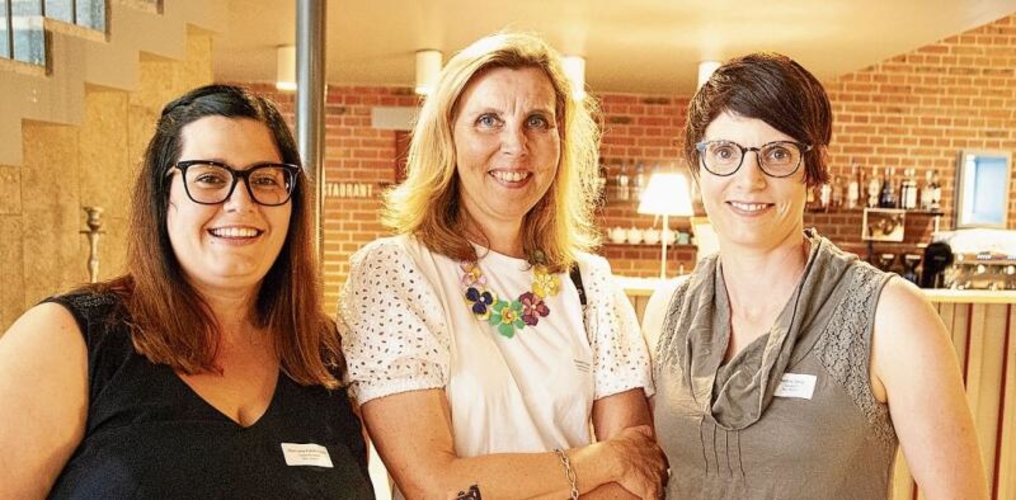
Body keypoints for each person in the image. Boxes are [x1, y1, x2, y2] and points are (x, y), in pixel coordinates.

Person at [0, 85, 374, 498]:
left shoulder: (323, 355)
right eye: (210, 178)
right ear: (163, 197)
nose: (240, 202)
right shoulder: (68, 338)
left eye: (265, 179)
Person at [644, 53, 987, 499]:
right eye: (725, 152)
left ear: (812, 170)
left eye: (778, 153)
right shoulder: (666, 311)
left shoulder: (891, 316)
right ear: (698, 167)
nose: (749, 180)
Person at [338, 33, 667, 499]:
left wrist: (612, 463)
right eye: (488, 120)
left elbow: (637, 477)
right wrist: (600, 458)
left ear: (560, 140)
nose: (515, 145)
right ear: (448, 137)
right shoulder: (394, 271)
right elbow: (437, 486)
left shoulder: (591, 284)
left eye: (537, 120)